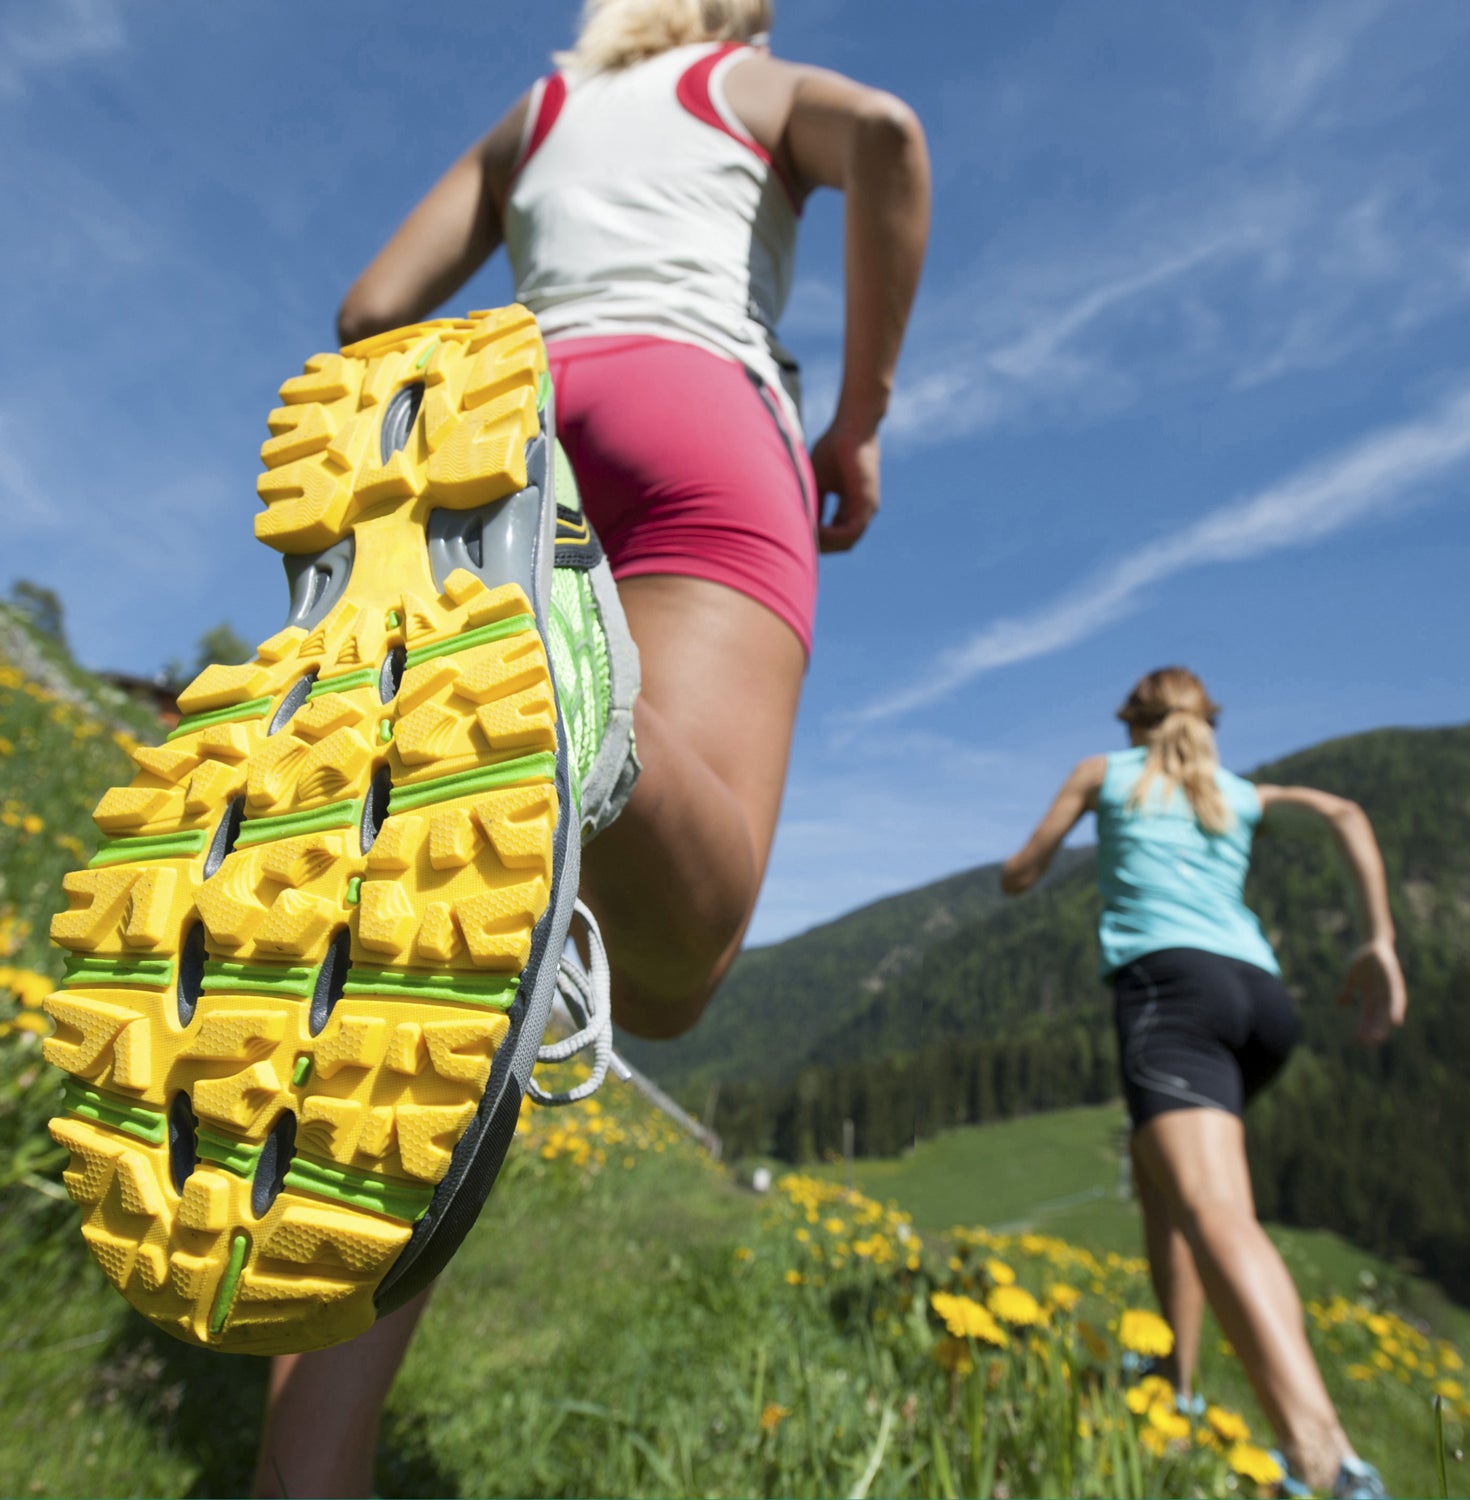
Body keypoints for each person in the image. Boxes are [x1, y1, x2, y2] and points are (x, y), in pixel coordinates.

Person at [253, 1, 930, 1492]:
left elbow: (373, 310)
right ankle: (577, 694)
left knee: (446, 970)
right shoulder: (731, 82)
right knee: (682, 959)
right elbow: (885, 135)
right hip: (698, 409)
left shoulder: (538, 112)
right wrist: (860, 420)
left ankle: (304, 1475)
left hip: (508, 433)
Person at [1000, 667, 1405, 1500]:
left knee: (1214, 1211)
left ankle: (1327, 1462)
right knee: (1165, 1192)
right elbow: (1346, 814)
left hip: (1170, 996)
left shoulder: (1102, 774)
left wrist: (1022, 868)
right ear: (1206, 721)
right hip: (1259, 1000)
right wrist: (1381, 942)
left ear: (1131, 723)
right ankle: (1173, 1388)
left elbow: (1021, 870)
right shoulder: (1240, 791)